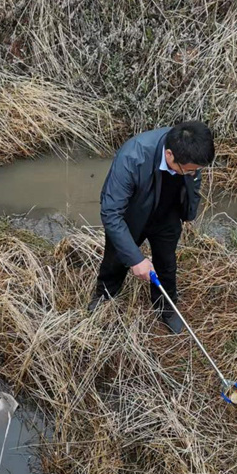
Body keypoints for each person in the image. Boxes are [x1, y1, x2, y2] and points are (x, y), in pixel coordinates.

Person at [88, 120, 215, 333]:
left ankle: (166, 307)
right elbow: (111, 213)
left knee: (166, 264)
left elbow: (192, 181)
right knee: (115, 261)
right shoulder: (132, 157)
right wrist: (136, 259)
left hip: (167, 215)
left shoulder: (190, 151)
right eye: (191, 170)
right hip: (130, 217)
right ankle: (103, 298)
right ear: (170, 155)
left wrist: (188, 207)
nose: (195, 174)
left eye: (198, 170)